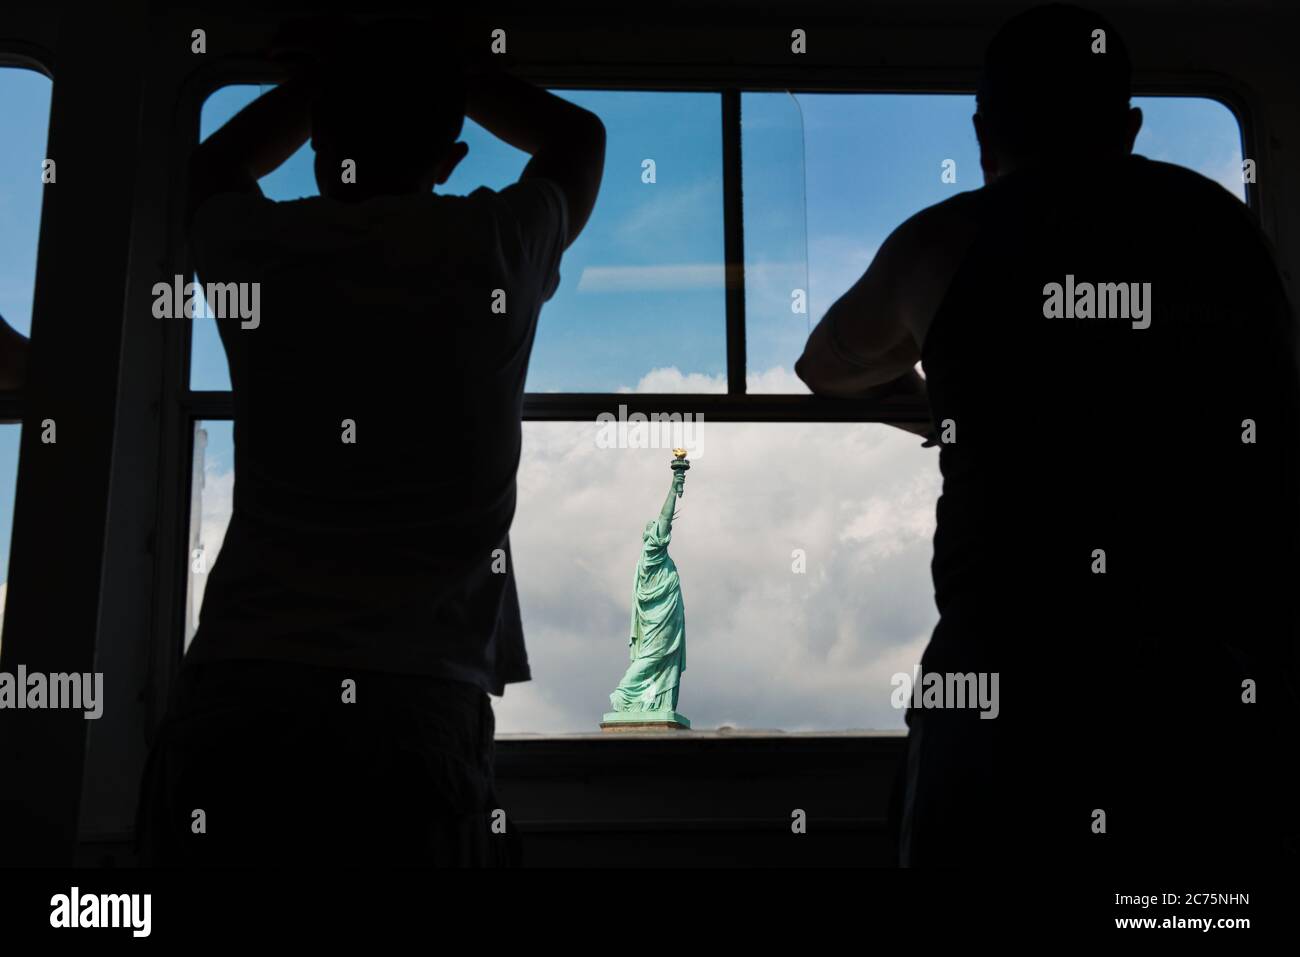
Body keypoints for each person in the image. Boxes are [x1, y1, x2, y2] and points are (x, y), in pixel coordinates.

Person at [797, 3, 1300, 866]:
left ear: (985, 129)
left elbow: (827, 365)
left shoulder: (944, 242)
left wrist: (933, 405)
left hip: (998, 672)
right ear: (1130, 125)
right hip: (1190, 669)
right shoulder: (1218, 228)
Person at [135, 18, 605, 866]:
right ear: (449, 159)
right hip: (416, 702)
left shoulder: (264, 250)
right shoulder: (491, 248)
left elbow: (211, 168)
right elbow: (578, 137)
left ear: (318, 148)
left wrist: (331, 76)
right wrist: (447, 64)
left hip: (243, 686)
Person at [608, 467, 688, 714]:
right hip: (659, 620)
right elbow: (664, 518)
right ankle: (623, 692)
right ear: (650, 536)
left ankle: (651, 700)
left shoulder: (656, 560)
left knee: (661, 660)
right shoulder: (652, 554)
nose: (661, 529)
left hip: (666, 618)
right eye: (655, 527)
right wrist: (674, 487)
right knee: (653, 656)